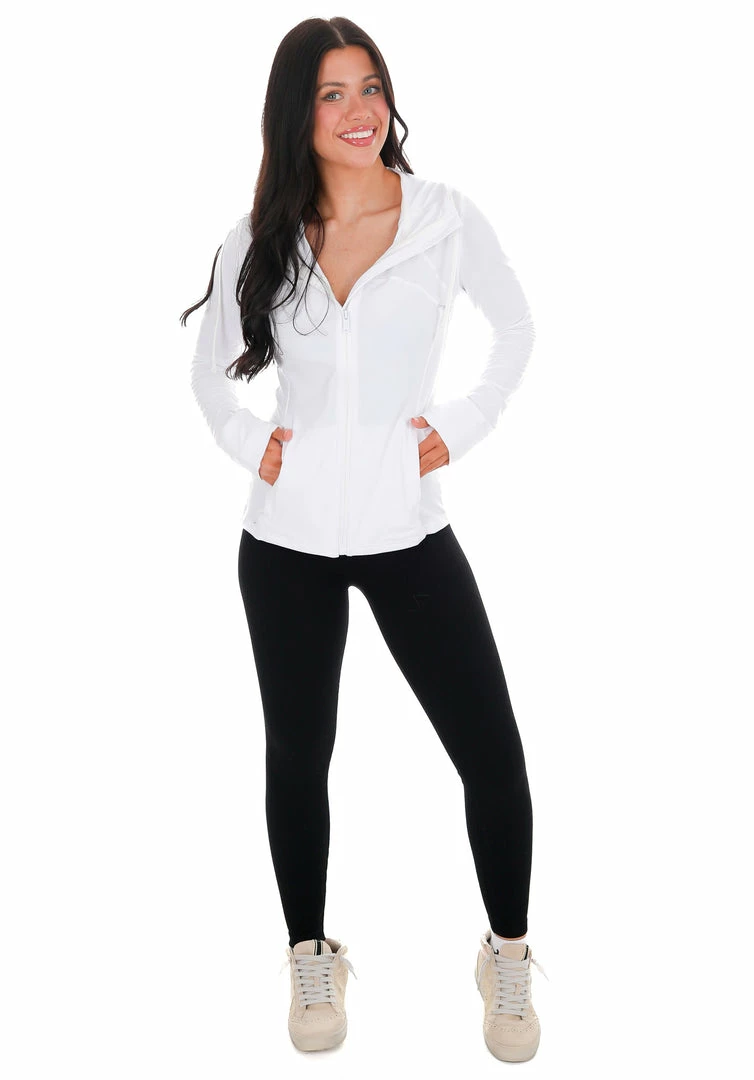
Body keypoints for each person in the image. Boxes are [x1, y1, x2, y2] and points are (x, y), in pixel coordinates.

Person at [182, 16, 548, 1062]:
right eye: (331, 94)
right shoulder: (259, 236)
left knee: (491, 751)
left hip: (407, 532)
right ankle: (311, 954)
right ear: (296, 114)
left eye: (371, 87)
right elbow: (208, 376)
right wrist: (254, 447)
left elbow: (517, 329)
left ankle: (507, 955)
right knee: (299, 755)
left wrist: (461, 427)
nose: (358, 112)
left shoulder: (443, 219)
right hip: (285, 545)